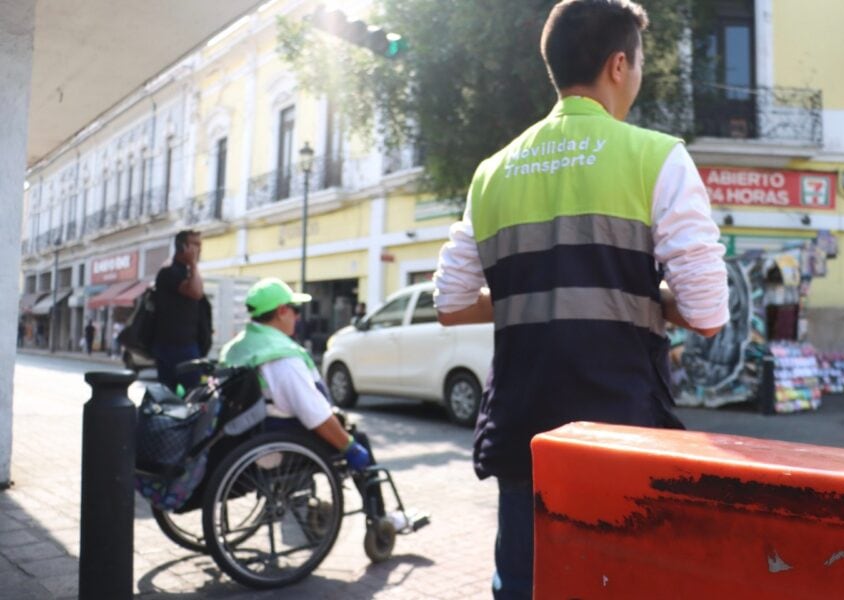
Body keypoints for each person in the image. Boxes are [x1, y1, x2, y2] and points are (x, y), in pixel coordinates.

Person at [433, 1, 729, 597]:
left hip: (525, 436)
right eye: (640, 63)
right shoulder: (657, 157)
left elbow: (451, 302)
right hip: (622, 436)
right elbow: (707, 315)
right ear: (619, 65)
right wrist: (641, 295)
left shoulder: (492, 172)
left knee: (522, 585)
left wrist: (532, 292)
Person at [220, 277, 411, 531]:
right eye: (295, 311)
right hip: (274, 444)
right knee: (356, 439)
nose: (298, 318)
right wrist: (351, 448)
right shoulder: (282, 357)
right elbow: (315, 416)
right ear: (281, 311)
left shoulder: (236, 348)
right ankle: (380, 519)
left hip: (245, 435)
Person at [153, 230, 210, 392]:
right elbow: (196, 292)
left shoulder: (186, 272)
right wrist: (193, 264)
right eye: (196, 245)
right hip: (175, 346)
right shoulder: (169, 272)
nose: (199, 249)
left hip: (187, 344)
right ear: (182, 246)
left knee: (188, 395)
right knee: (194, 394)